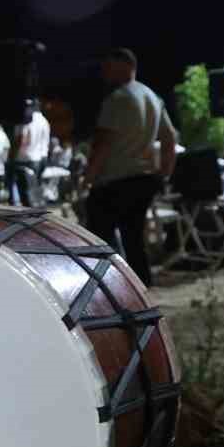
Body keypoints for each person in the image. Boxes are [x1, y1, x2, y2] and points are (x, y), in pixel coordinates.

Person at [83, 48, 178, 287]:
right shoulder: (152, 97)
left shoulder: (118, 99)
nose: (104, 72)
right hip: (144, 178)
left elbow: (103, 145)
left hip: (115, 179)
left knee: (99, 237)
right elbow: (170, 139)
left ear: (124, 65)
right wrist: (164, 173)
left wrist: (87, 179)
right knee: (133, 235)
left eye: (108, 66)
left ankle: (108, 286)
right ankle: (141, 284)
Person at [8, 104, 51, 207]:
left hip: (25, 158)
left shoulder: (26, 118)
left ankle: (29, 216)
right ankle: (38, 214)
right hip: (40, 158)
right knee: (35, 191)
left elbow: (21, 138)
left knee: (26, 194)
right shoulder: (44, 120)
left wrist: (11, 157)